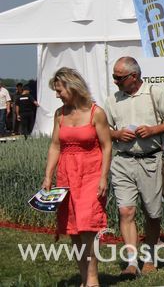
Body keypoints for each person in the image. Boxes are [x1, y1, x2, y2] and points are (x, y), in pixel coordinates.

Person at [105, 56, 164, 277]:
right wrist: (116, 134)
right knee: (125, 210)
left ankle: (150, 256)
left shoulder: (155, 92)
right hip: (122, 160)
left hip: (151, 160)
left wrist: (153, 130)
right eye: (114, 77)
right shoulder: (112, 100)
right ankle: (131, 262)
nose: (115, 81)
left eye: (119, 77)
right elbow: (104, 129)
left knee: (152, 213)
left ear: (134, 76)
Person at [41, 67, 112, 287]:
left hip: (91, 173)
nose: (57, 95)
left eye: (59, 90)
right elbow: (55, 146)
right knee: (72, 226)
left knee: (89, 225)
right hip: (66, 174)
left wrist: (103, 177)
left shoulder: (96, 112)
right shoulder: (59, 114)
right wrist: (48, 176)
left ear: (72, 87)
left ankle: (92, 278)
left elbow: (107, 145)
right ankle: (83, 276)